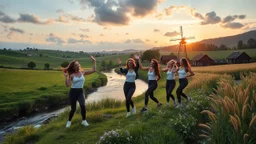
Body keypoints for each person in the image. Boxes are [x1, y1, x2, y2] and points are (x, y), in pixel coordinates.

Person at [62, 55, 96, 128]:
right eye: (76, 65)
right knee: (73, 109)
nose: (78, 65)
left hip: (80, 91)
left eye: (78, 64)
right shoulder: (71, 75)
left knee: (83, 106)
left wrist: (94, 61)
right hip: (73, 92)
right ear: (73, 67)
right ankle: (69, 121)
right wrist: (66, 77)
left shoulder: (83, 72)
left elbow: (93, 70)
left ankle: (84, 121)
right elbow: (68, 85)